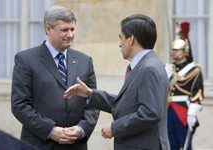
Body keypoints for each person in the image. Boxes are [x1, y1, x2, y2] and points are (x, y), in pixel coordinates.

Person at [64, 14, 170, 150]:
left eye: (121, 38)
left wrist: (115, 128)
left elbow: (151, 113)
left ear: (131, 39)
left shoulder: (149, 68)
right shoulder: (146, 65)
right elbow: (127, 105)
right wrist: (90, 93)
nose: (120, 44)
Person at [11, 6, 99, 150]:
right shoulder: (25, 60)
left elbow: (93, 102)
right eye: (65, 30)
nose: (70, 34)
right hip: (39, 143)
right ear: (48, 29)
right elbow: (19, 105)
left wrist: (81, 129)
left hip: (75, 145)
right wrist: (50, 130)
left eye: (72, 29)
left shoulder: (85, 61)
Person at [165, 22, 204, 150]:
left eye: (177, 50)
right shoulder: (169, 68)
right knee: (170, 144)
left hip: (183, 110)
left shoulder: (195, 70)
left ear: (185, 51)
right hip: (168, 109)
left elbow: (197, 92)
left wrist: (192, 113)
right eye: (173, 50)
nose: (173, 52)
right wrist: (167, 76)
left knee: (185, 144)